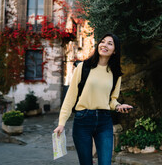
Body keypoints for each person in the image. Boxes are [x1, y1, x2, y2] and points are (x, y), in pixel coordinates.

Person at [54, 33, 133, 165]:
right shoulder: (83, 67)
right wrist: (61, 123)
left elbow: (112, 99)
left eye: (110, 43)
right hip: (82, 121)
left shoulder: (116, 73)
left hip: (104, 121)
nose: (105, 45)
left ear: (115, 50)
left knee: (106, 163)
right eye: (103, 41)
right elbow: (70, 97)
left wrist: (118, 106)